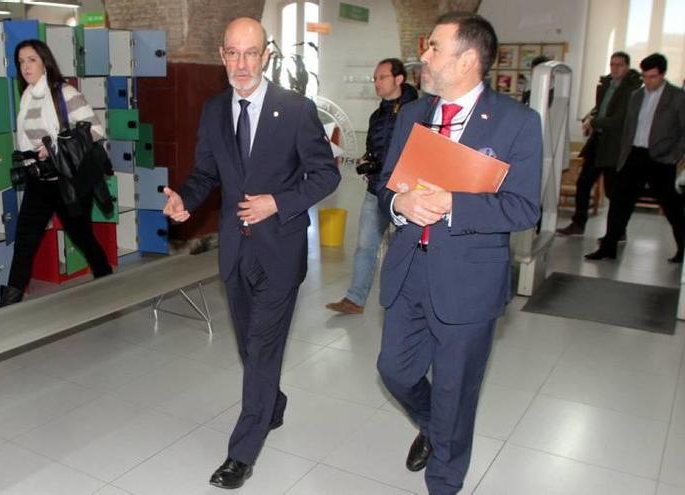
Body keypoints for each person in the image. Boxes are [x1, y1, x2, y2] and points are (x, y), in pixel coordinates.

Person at [162, 17, 340, 489]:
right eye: (233, 54)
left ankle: (242, 452)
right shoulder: (214, 110)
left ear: (266, 56)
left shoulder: (296, 109)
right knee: (249, 346)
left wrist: (277, 202)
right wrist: (184, 198)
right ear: (222, 55)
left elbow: (327, 176)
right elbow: (206, 173)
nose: (241, 64)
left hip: (279, 250)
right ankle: (272, 403)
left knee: (261, 349)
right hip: (235, 252)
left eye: (251, 53)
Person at [375, 12, 542, 494]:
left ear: (468, 59)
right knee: (395, 370)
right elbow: (386, 187)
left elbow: (524, 208)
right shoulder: (412, 114)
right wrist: (399, 203)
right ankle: (433, 427)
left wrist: (453, 204)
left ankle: (443, 481)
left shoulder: (516, 122)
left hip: (469, 281)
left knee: (454, 391)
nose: (422, 57)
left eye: (434, 49)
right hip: (409, 270)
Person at [0, 39, 113, 307]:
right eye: (21, 61)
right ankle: (6, 309)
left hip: (68, 181)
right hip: (39, 181)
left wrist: (54, 148)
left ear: (45, 62)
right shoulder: (26, 98)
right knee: (24, 243)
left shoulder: (65, 93)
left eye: (32, 60)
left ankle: (106, 277)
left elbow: (96, 131)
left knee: (82, 235)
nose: (25, 66)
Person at [326, 58, 418, 315]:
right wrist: (369, 160)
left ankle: (406, 302)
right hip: (375, 189)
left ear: (398, 79)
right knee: (366, 245)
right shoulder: (377, 115)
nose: (376, 83)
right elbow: (375, 147)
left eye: (382, 77)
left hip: (405, 193)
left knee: (405, 250)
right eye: (375, 78)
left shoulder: (417, 111)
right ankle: (355, 299)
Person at [585, 53, 685, 262]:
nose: (648, 82)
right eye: (645, 76)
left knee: (671, 207)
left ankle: (681, 249)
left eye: (653, 77)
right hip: (634, 155)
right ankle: (608, 247)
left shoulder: (677, 97)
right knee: (619, 203)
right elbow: (629, 128)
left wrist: (675, 155)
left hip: (661, 158)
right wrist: (624, 156)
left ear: (663, 74)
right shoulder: (636, 96)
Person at [556, 51, 642, 236]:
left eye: (619, 65)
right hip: (598, 143)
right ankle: (578, 224)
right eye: (612, 64)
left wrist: (594, 122)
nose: (615, 68)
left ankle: (618, 231)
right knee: (584, 183)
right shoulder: (606, 85)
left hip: (615, 146)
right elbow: (600, 109)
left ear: (627, 67)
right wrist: (591, 117)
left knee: (613, 191)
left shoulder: (632, 89)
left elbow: (620, 119)